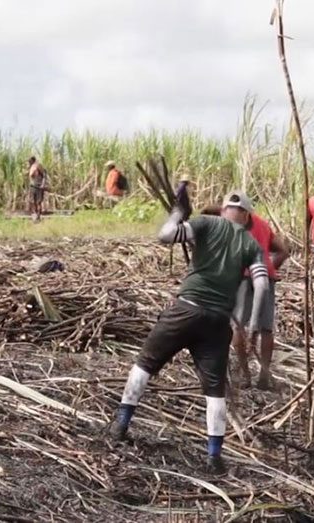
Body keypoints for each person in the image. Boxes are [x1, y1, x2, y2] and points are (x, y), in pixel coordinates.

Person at [110, 189, 269, 475]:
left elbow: (165, 235)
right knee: (214, 392)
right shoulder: (250, 243)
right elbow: (262, 285)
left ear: (223, 210)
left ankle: (120, 425)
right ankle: (214, 457)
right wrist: (252, 324)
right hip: (218, 322)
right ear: (246, 217)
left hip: (185, 310)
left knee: (145, 364)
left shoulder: (206, 224)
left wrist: (177, 213)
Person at [231, 203, 289, 390]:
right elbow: (283, 251)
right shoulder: (263, 224)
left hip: (244, 276)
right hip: (265, 277)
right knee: (266, 328)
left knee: (238, 325)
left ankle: (245, 375)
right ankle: (263, 376)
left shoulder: (230, 224)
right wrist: (271, 267)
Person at [28, 156, 47, 222]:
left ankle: (38, 216)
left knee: (38, 202)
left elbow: (44, 174)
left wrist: (43, 184)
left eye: (29, 161)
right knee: (32, 201)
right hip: (32, 186)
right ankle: (35, 216)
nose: (28, 162)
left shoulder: (38, 166)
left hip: (38, 186)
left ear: (33, 160)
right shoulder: (31, 167)